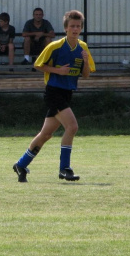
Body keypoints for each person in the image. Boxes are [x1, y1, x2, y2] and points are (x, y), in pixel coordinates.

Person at [12, 10, 95, 183]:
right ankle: (64, 168)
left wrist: (86, 62)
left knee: (46, 134)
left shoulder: (83, 47)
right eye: (72, 26)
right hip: (53, 92)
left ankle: (21, 164)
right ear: (65, 28)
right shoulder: (55, 46)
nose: (75, 29)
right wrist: (58, 70)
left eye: (78, 26)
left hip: (67, 93)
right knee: (72, 127)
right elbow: (37, 65)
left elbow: (86, 75)